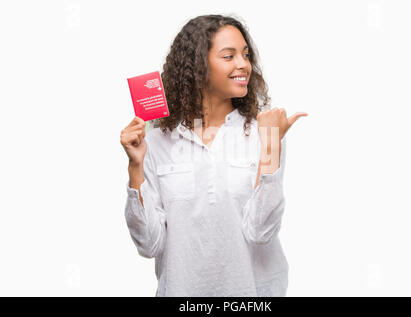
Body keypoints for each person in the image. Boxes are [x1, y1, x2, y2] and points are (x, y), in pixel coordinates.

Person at [120, 14, 308, 297]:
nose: (243, 64)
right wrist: (135, 166)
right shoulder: (156, 141)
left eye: (245, 55)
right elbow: (148, 244)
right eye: (228, 56)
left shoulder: (264, 132)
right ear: (198, 66)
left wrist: (271, 146)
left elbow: (260, 232)